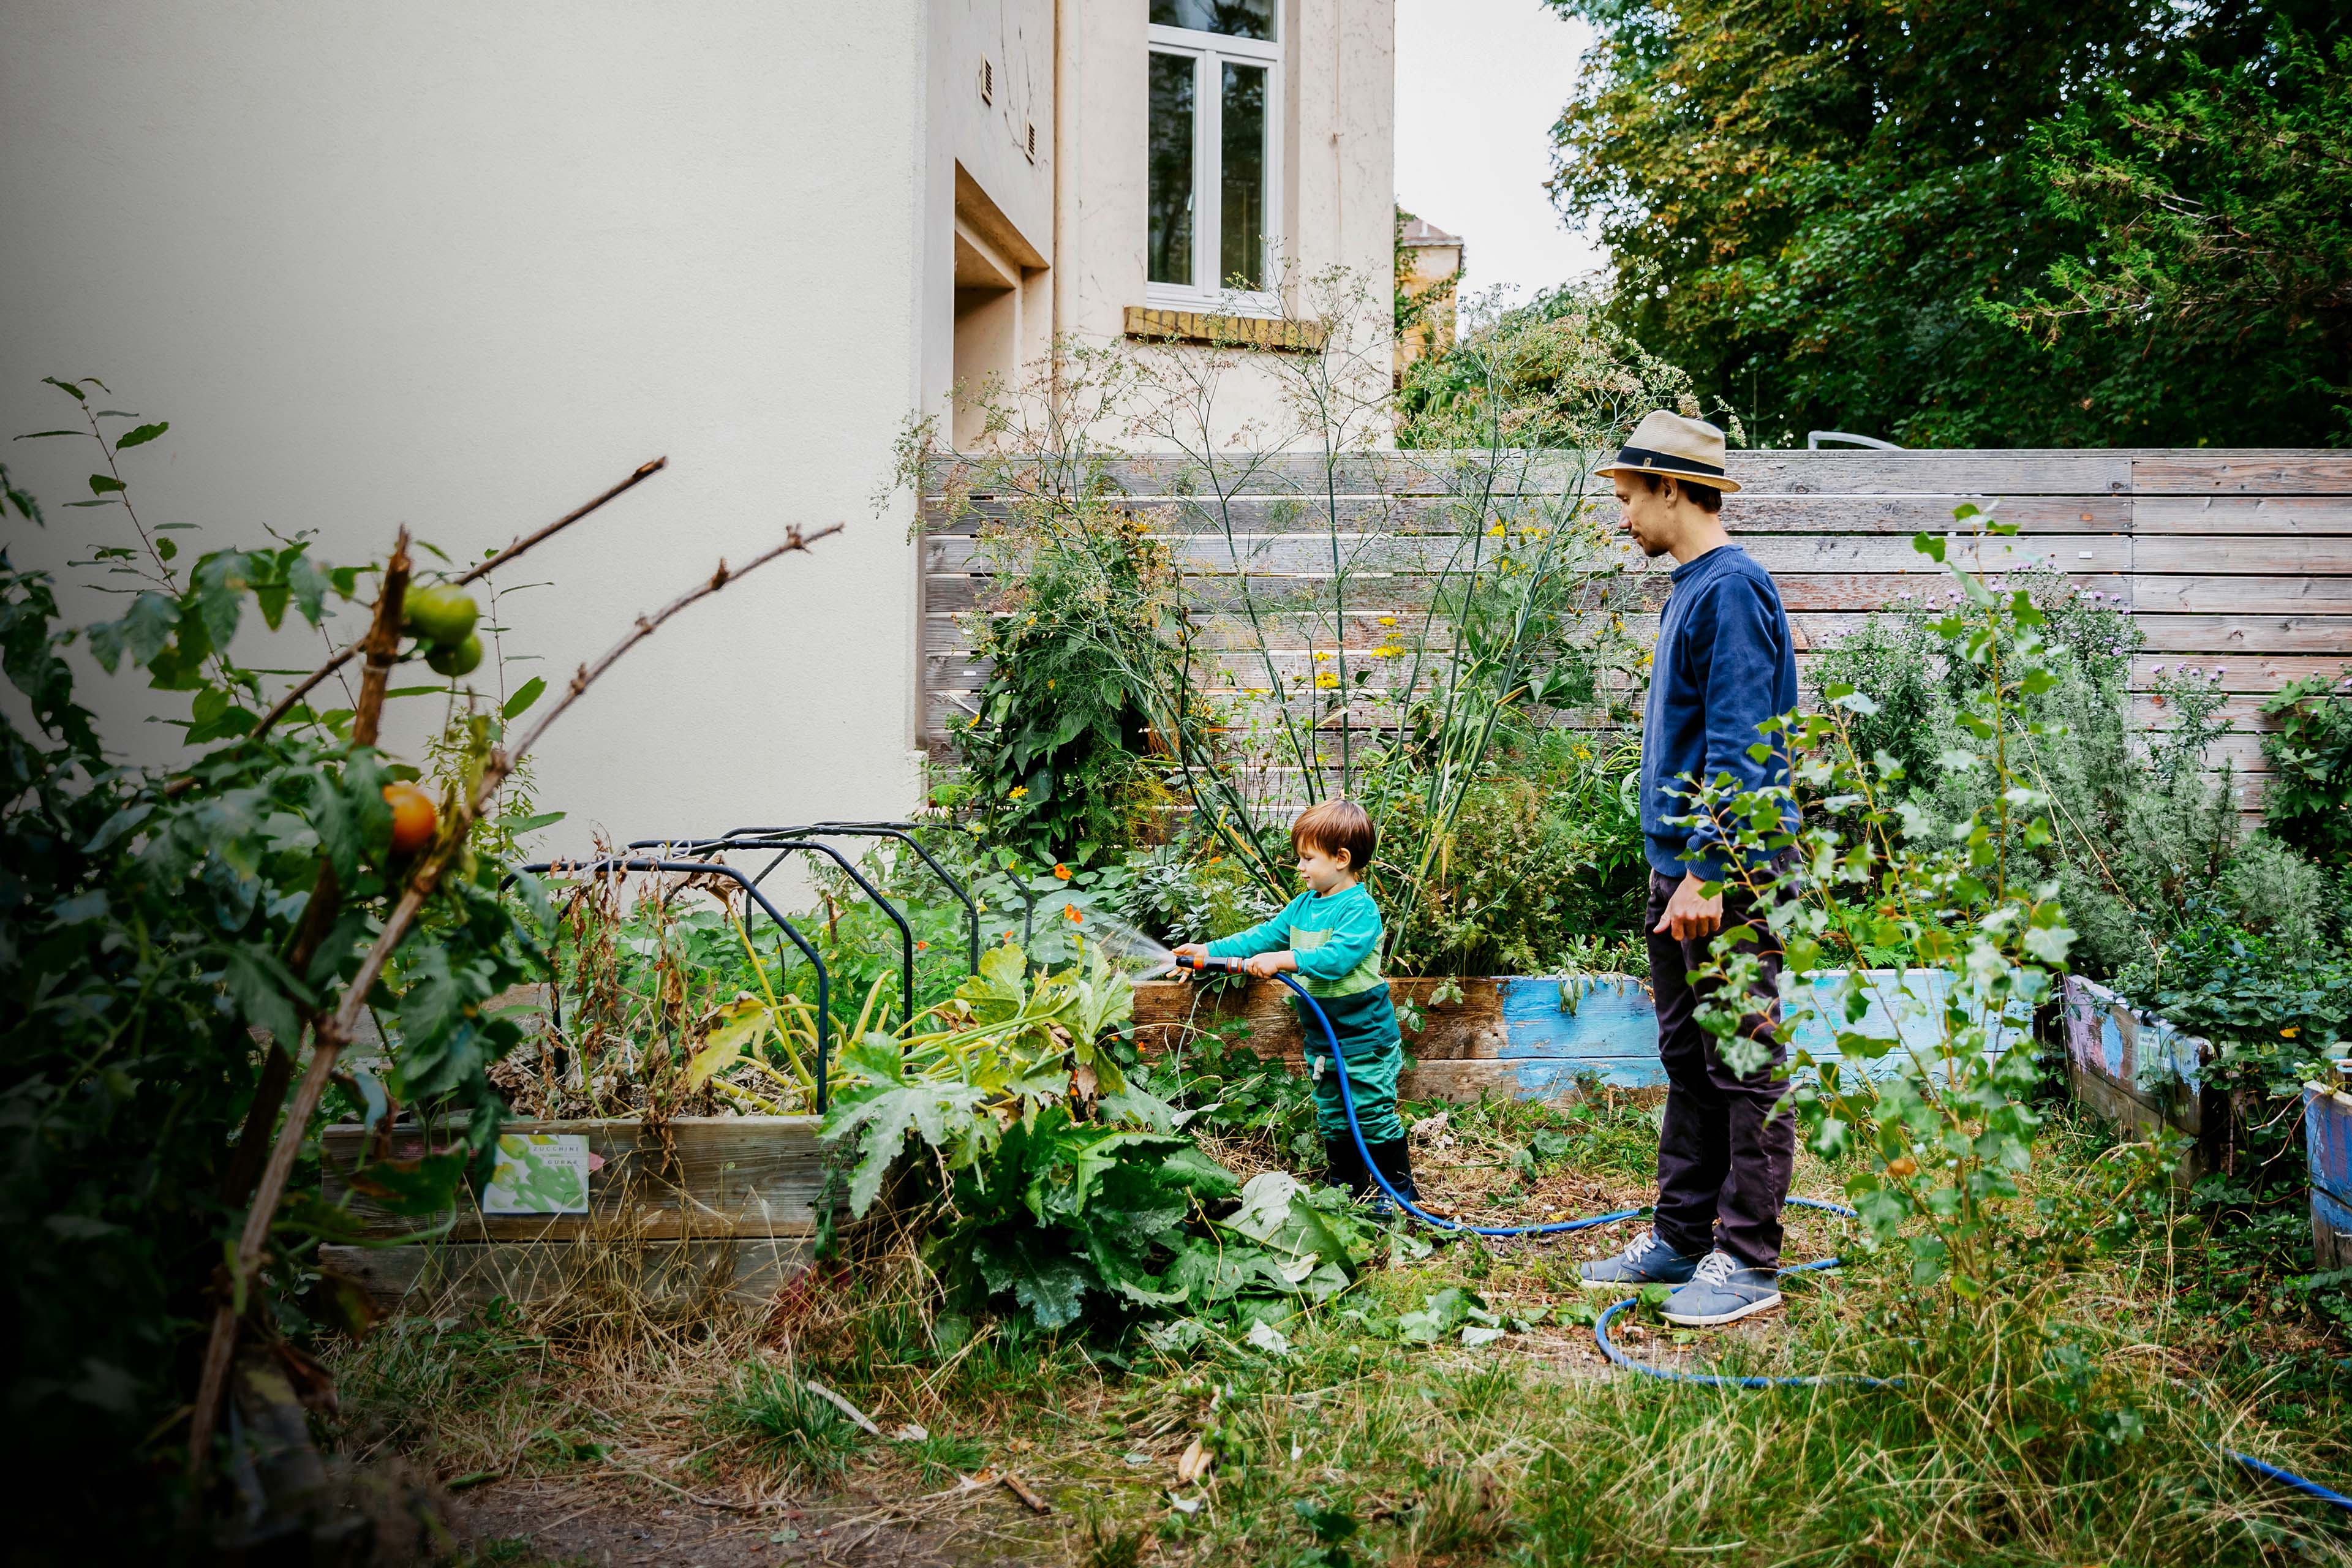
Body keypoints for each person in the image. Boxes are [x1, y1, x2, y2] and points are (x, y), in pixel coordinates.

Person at [1576, 410, 1800, 1329]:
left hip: (1724, 875)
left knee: (1743, 1062)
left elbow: (1745, 749)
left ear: (1672, 487)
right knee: (1690, 1058)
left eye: (1629, 499)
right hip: (1685, 872)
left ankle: (1747, 1260)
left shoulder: (1732, 589)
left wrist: (1711, 872)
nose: (1622, 517)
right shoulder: (1691, 588)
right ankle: (1680, 1237)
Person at [1172, 799, 1416, 1203]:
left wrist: (1285, 959)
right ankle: (1345, 1191)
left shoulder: (1360, 909)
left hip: (1364, 1036)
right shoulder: (1303, 906)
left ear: (1341, 858)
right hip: (1322, 1038)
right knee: (1333, 1114)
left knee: (1371, 1112)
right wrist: (1207, 951)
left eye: (1307, 858)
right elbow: (1263, 937)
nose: (1299, 867)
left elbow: (1336, 959)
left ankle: (1396, 1193)